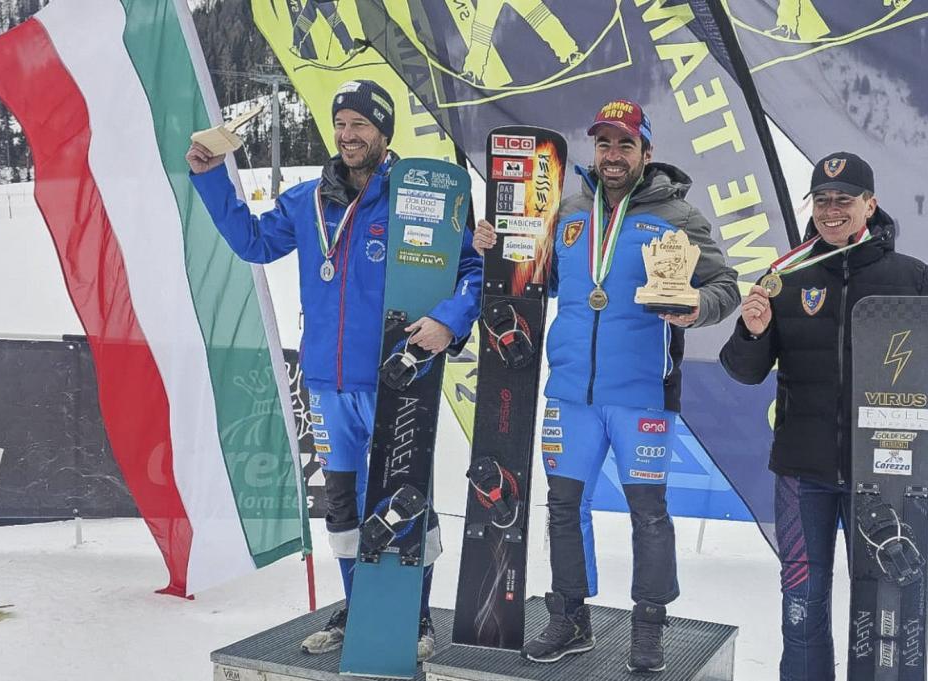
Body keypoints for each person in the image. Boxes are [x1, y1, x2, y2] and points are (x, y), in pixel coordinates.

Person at [185, 80, 482, 659]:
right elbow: (252, 242)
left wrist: (448, 321)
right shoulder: (306, 201)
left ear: (383, 132)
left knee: (402, 498)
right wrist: (211, 176)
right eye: (340, 124)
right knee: (344, 508)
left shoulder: (419, 196)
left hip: (397, 379)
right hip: (326, 381)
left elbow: (470, 270)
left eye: (360, 125)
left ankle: (415, 616)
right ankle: (359, 609)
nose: (348, 136)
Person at [473, 100, 739, 673]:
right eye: (604, 144)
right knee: (564, 507)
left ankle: (649, 626)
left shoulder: (679, 216)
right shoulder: (568, 211)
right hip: (570, 392)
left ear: (647, 152)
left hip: (643, 392)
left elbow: (725, 285)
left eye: (625, 144)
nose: (613, 155)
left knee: (649, 512)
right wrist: (496, 246)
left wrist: (697, 307)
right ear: (594, 150)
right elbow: (531, 278)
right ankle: (570, 617)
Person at [718, 152, 928, 681]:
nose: (831, 210)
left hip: (886, 476)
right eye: (822, 200)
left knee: (888, 608)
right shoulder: (785, 276)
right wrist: (751, 330)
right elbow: (744, 371)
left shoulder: (913, 278)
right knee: (802, 608)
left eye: (845, 199)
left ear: (870, 204)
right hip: (801, 472)